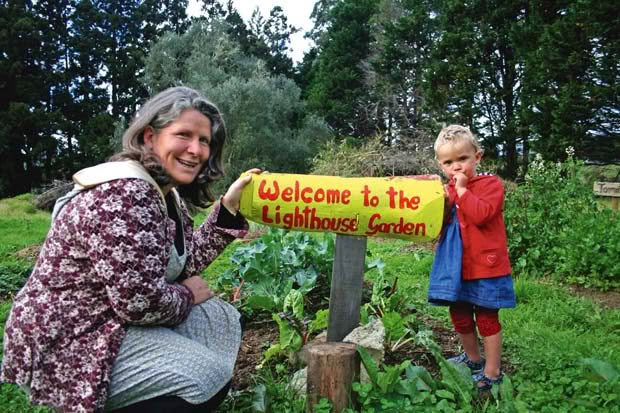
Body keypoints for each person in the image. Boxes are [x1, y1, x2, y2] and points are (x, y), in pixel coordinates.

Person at [1, 86, 260, 412]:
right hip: (70, 340)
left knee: (221, 319)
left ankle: (164, 373)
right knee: (205, 378)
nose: (196, 149)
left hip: (108, 319)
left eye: (204, 140)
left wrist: (229, 209)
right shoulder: (126, 194)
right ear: (150, 137)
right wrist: (188, 295)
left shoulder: (165, 193)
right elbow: (140, 305)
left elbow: (182, 261)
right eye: (183, 135)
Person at [427, 124, 515, 391]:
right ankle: (473, 359)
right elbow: (437, 225)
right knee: (460, 314)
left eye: (462, 159)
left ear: (477, 157)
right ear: (440, 165)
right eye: (448, 162)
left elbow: (481, 215)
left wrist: (463, 191)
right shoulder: (445, 191)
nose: (456, 167)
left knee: (487, 317)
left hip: (486, 267)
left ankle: (493, 371)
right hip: (456, 268)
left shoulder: (491, 185)